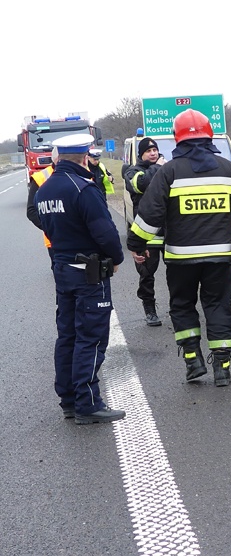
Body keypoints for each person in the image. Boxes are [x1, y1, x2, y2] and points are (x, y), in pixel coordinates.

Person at [127, 109, 231, 386]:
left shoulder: (168, 172)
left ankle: (193, 361)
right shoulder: (229, 170)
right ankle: (223, 368)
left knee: (182, 306)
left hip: (180, 259)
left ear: (178, 139)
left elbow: (150, 213)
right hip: (219, 257)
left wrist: (137, 244)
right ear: (210, 136)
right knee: (218, 306)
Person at [34, 133, 126, 424]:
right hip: (89, 272)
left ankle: (69, 400)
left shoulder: (44, 190)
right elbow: (105, 232)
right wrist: (117, 259)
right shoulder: (83, 189)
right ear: (85, 157)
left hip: (62, 267)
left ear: (59, 158)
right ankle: (88, 403)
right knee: (91, 337)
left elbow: (47, 226)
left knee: (68, 336)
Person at [123, 137, 166, 326]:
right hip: (146, 235)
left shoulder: (167, 168)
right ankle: (150, 310)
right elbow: (142, 184)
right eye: (149, 151)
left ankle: (179, 308)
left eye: (155, 150)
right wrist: (160, 168)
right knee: (147, 274)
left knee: (178, 275)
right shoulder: (133, 172)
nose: (153, 153)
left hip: (170, 233)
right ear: (141, 154)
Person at [26, 147, 58, 262]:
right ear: (57, 159)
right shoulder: (41, 177)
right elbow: (31, 211)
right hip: (55, 240)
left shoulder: (85, 172)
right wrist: (50, 229)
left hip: (82, 239)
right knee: (63, 275)